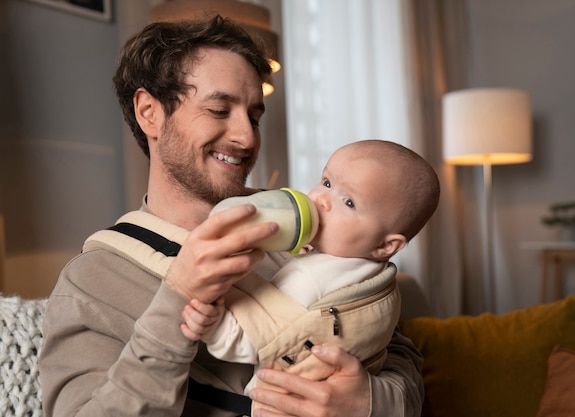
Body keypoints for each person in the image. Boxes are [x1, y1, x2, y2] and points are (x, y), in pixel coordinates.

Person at [39, 15, 426, 417]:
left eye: (254, 116)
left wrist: (372, 402)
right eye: (220, 110)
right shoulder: (92, 283)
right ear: (149, 112)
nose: (246, 138)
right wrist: (179, 297)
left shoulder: (309, 227)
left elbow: (395, 351)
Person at [181, 140, 440, 409]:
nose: (321, 200)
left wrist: (214, 326)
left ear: (386, 246)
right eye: (326, 182)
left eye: (349, 202)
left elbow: (258, 340)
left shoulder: (310, 278)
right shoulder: (378, 278)